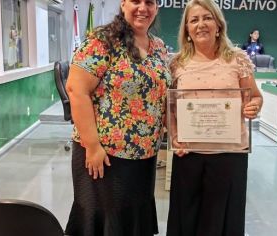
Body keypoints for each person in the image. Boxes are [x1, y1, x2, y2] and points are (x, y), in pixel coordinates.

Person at [64, 0, 171, 235]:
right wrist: (92, 146)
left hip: (145, 156)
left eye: (150, 2)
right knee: (104, 221)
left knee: (132, 220)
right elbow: (76, 90)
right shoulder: (102, 41)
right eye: (136, 1)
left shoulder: (160, 47)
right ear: (123, 4)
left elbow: (162, 96)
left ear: (157, 8)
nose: (143, 8)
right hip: (105, 156)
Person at [166, 1, 263, 236]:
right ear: (187, 29)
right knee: (187, 218)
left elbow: (256, 98)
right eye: (194, 20)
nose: (201, 24)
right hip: (189, 154)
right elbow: (169, 108)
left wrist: (253, 107)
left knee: (222, 220)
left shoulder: (238, 59)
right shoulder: (176, 63)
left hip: (229, 155)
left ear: (218, 25)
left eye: (207, 18)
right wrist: (174, 136)